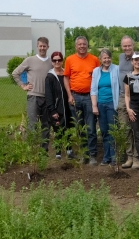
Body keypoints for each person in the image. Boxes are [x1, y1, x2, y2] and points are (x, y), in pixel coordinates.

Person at [63, 36, 100, 165]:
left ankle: (93, 155)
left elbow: (99, 76)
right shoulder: (69, 60)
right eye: (79, 44)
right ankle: (83, 154)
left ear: (87, 45)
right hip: (75, 96)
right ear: (76, 46)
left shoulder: (94, 60)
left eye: (84, 44)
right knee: (79, 128)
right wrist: (69, 95)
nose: (82, 46)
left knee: (90, 127)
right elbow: (66, 78)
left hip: (90, 97)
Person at [12, 37, 52, 152]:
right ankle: (32, 150)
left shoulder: (51, 62)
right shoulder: (30, 60)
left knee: (46, 125)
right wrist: (23, 86)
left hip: (47, 98)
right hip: (33, 96)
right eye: (40, 46)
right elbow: (15, 73)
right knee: (32, 125)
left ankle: (44, 151)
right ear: (37, 46)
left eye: (44, 46)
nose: (42, 48)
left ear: (48, 47)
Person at [118, 36, 139, 169]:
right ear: (121, 47)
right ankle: (129, 157)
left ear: (133, 45)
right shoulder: (120, 58)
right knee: (126, 129)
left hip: (136, 99)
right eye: (124, 46)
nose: (127, 48)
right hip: (123, 97)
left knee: (137, 129)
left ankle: (137, 157)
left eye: (129, 45)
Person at [90, 49, 120, 166]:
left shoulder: (116, 69)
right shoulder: (96, 71)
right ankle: (106, 156)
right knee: (104, 131)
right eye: (104, 58)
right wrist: (94, 106)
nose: (106, 60)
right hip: (100, 104)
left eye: (108, 57)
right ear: (100, 59)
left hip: (112, 104)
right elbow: (93, 89)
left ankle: (113, 157)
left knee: (113, 130)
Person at [45, 51, 73, 159]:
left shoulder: (66, 73)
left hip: (67, 105)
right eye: (54, 60)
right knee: (58, 129)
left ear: (62, 61)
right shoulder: (50, 76)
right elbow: (48, 95)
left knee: (68, 128)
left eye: (59, 60)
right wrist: (52, 110)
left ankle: (69, 150)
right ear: (52, 62)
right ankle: (58, 152)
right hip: (57, 107)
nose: (57, 62)